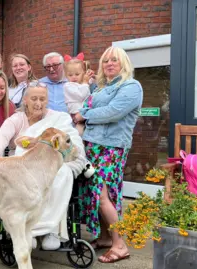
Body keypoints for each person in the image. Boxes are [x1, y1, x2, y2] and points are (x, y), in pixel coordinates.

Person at [0, 81, 88, 250]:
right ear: (25, 100)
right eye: (34, 98)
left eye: (42, 99)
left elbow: (72, 138)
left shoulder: (58, 118)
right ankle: (29, 231)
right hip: (24, 170)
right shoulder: (17, 119)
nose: (38, 103)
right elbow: (2, 136)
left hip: (49, 168)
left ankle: (52, 230)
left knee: (59, 175)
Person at [74, 46, 143, 263]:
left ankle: (120, 245)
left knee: (104, 195)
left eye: (114, 60)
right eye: (106, 61)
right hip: (92, 146)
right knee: (96, 193)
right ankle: (105, 237)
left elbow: (113, 112)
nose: (109, 63)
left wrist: (83, 115)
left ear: (123, 63)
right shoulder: (100, 88)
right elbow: (93, 106)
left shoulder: (131, 86)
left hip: (111, 147)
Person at [63, 52, 94, 136]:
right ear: (66, 75)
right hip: (77, 115)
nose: (74, 77)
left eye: (77, 74)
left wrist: (89, 76)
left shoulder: (81, 83)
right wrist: (85, 82)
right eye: (70, 75)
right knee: (79, 133)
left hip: (86, 114)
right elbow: (81, 94)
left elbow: (90, 82)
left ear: (83, 73)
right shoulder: (68, 86)